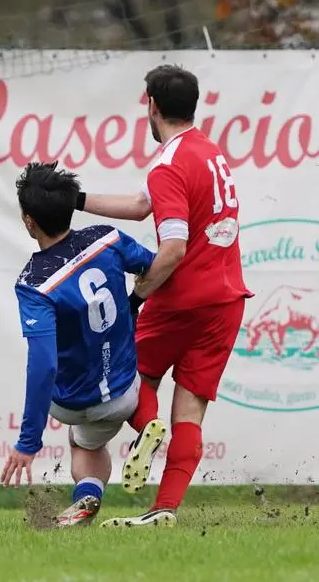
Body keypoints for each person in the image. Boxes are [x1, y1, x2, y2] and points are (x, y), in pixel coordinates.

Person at [77, 64, 252, 528]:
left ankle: (146, 431)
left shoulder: (169, 164)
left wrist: (137, 296)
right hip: (226, 300)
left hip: (181, 301)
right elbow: (140, 207)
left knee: (134, 387)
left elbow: (172, 247)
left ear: (151, 106)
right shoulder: (210, 153)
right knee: (191, 410)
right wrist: (78, 198)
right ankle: (165, 510)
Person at [0, 162, 166, 527]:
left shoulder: (32, 283)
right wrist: (133, 303)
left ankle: (87, 495)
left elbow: (43, 365)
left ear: (29, 221)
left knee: (85, 442)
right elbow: (153, 266)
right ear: (70, 205)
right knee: (135, 381)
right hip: (123, 391)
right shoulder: (106, 238)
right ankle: (147, 424)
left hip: (71, 404)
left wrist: (29, 442)